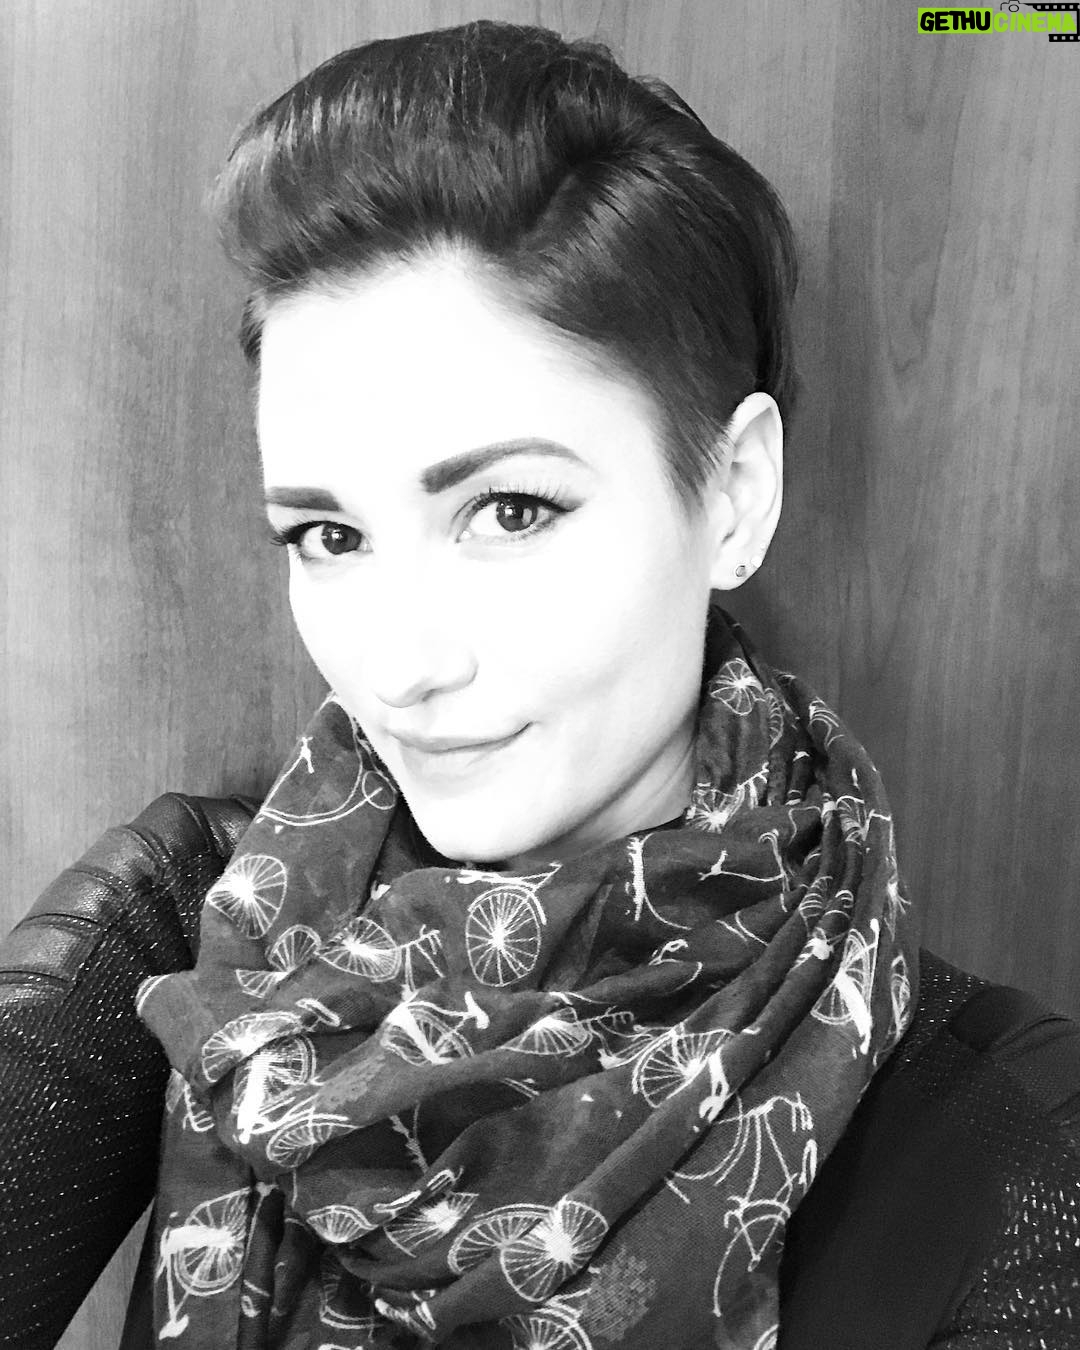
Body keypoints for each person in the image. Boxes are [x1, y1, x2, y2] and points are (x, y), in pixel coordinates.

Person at [1, 19, 1078, 1350]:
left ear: (735, 493)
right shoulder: (187, 932)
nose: (399, 665)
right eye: (327, 535)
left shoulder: (1007, 1151)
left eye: (511, 510)